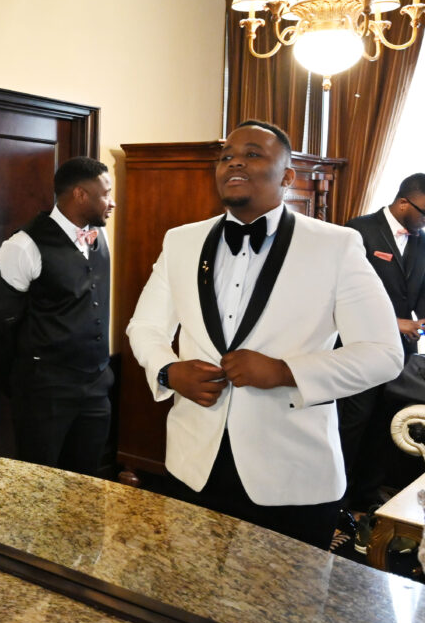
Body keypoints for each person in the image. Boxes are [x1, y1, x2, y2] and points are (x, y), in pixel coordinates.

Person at [126, 119, 402, 549]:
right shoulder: (181, 241)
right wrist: (168, 371)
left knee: (289, 592)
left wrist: (286, 371)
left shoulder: (336, 246)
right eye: (227, 157)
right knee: (190, 583)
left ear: (287, 176)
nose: (235, 162)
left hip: (293, 474)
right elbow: (145, 326)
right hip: (193, 463)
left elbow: (384, 353)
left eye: (252, 154)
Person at [0, 156, 115, 476]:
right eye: (106, 194)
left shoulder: (100, 236)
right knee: (38, 485)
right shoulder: (23, 246)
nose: (112, 203)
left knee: (86, 483)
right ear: (80, 195)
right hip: (45, 393)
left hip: (96, 388)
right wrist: (23, 382)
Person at [340, 174, 425, 512]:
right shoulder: (358, 231)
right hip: (359, 347)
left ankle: (367, 493)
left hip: (400, 351)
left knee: (383, 422)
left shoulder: (421, 240)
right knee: (353, 423)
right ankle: (337, 498)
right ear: (403, 202)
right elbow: (343, 296)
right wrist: (394, 322)